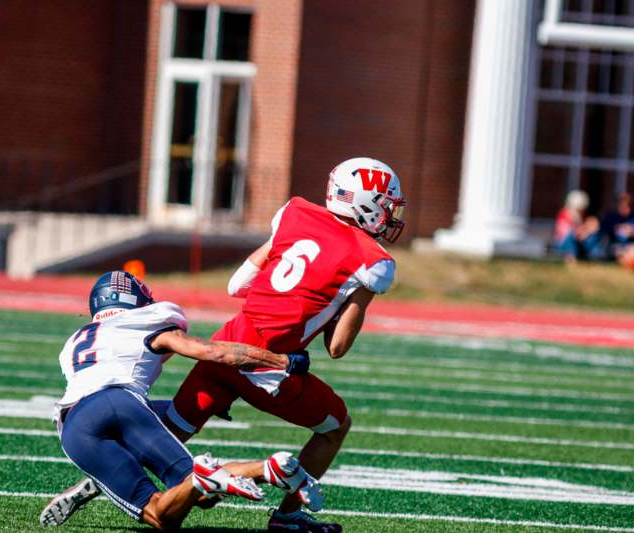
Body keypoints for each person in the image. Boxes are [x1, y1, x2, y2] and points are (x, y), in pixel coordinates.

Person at [42, 156, 405, 533]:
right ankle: (288, 516)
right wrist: (352, 298)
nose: (390, 215)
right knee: (335, 425)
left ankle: (96, 481)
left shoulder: (295, 212)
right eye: (386, 204)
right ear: (363, 201)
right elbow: (337, 347)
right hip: (266, 368)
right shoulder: (373, 260)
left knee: (168, 433)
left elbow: (237, 286)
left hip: (225, 344)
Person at [40, 270, 321, 531]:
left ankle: (263, 470)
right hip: (125, 402)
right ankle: (257, 469)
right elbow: (214, 352)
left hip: (75, 422)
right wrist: (280, 361)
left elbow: (96, 390)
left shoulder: (75, 341)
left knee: (175, 506)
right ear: (133, 299)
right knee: (184, 496)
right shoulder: (147, 322)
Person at [553, 190, 603, 261]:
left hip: (572, 242)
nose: (583, 210)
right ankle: (572, 256)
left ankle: (595, 255)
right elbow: (572, 234)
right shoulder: (567, 214)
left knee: (593, 236)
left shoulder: (575, 215)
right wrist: (587, 229)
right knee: (589, 238)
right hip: (565, 244)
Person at [600, 192, 634, 260]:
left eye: (627, 207)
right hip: (614, 246)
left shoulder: (632, 218)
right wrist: (615, 228)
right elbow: (602, 231)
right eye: (622, 206)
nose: (624, 209)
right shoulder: (611, 217)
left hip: (630, 246)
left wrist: (631, 232)